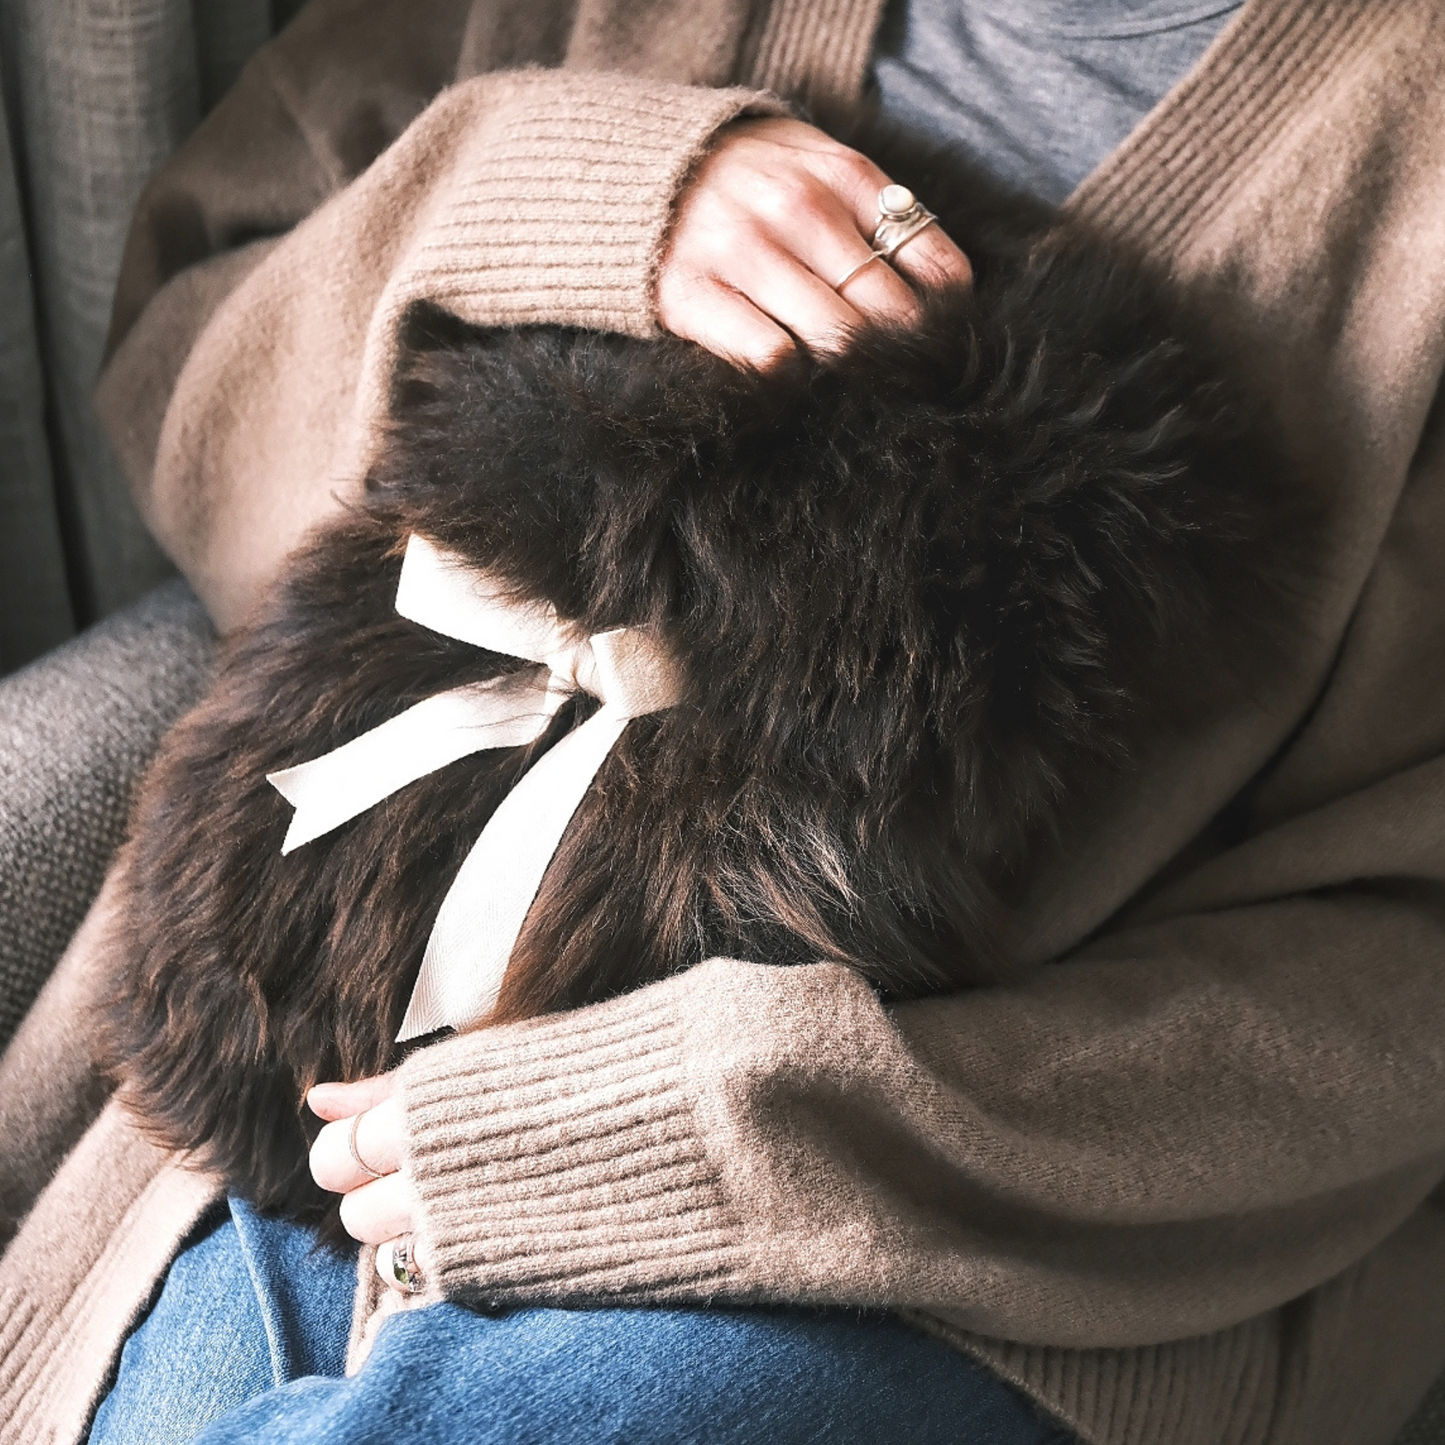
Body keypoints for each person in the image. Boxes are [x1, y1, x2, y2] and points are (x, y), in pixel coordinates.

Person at [2, 1, 1445, 1443]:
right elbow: (184, 334)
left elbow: (1396, 972)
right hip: (317, 1034)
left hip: (990, 1250)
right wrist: (546, 199)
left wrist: (741, 1126)